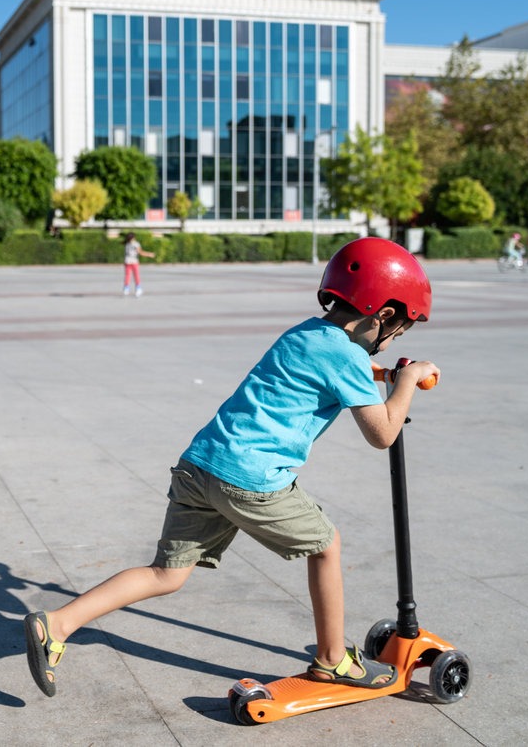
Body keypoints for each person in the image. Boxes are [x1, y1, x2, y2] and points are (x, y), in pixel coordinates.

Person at [23, 237, 439, 699]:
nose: (390, 342)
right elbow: (382, 433)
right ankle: (332, 660)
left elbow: (331, 371)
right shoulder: (348, 357)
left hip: (200, 465)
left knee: (167, 574)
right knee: (327, 545)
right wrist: (404, 383)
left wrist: (375, 372)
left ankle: (56, 624)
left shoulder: (304, 333)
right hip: (250, 479)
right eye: (396, 332)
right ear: (381, 315)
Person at [122, 232, 155, 297]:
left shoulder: (127, 244)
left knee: (127, 275)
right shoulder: (136, 244)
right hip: (134, 261)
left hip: (127, 261)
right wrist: (149, 254)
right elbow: (141, 252)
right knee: (136, 275)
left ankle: (126, 288)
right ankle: (138, 289)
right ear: (133, 237)